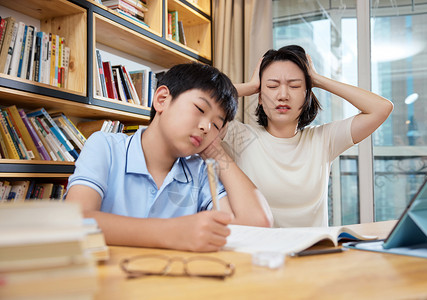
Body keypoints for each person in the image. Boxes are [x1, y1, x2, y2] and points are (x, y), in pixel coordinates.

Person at [65, 62, 273, 252]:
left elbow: (256, 222)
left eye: (216, 125)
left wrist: (215, 151)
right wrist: (172, 233)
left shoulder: (200, 171)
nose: (206, 127)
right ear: (162, 99)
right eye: (200, 109)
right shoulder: (105, 147)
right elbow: (76, 221)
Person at [223, 45, 394, 227]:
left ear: (307, 96)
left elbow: (381, 108)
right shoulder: (237, 136)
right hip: (261, 253)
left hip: (314, 251)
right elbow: (199, 101)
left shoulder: (323, 139)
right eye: (272, 86)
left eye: (295, 85)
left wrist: (318, 80)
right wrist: (250, 86)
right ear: (259, 96)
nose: (282, 95)